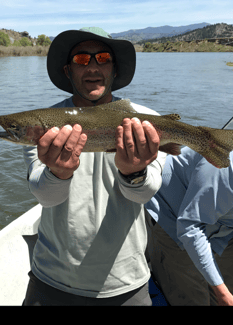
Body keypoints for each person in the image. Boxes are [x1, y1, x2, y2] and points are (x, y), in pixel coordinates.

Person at [23, 26, 167, 306]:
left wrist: (134, 172)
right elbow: (45, 196)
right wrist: (58, 173)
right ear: (68, 71)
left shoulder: (146, 122)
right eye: (81, 60)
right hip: (51, 279)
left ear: (114, 69)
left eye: (102, 58)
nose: (92, 67)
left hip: (125, 282)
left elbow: (143, 194)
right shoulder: (44, 125)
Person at [145, 146, 233, 306]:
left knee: (232, 289)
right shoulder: (226, 166)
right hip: (172, 212)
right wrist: (222, 293)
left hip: (226, 224)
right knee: (194, 297)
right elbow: (189, 228)